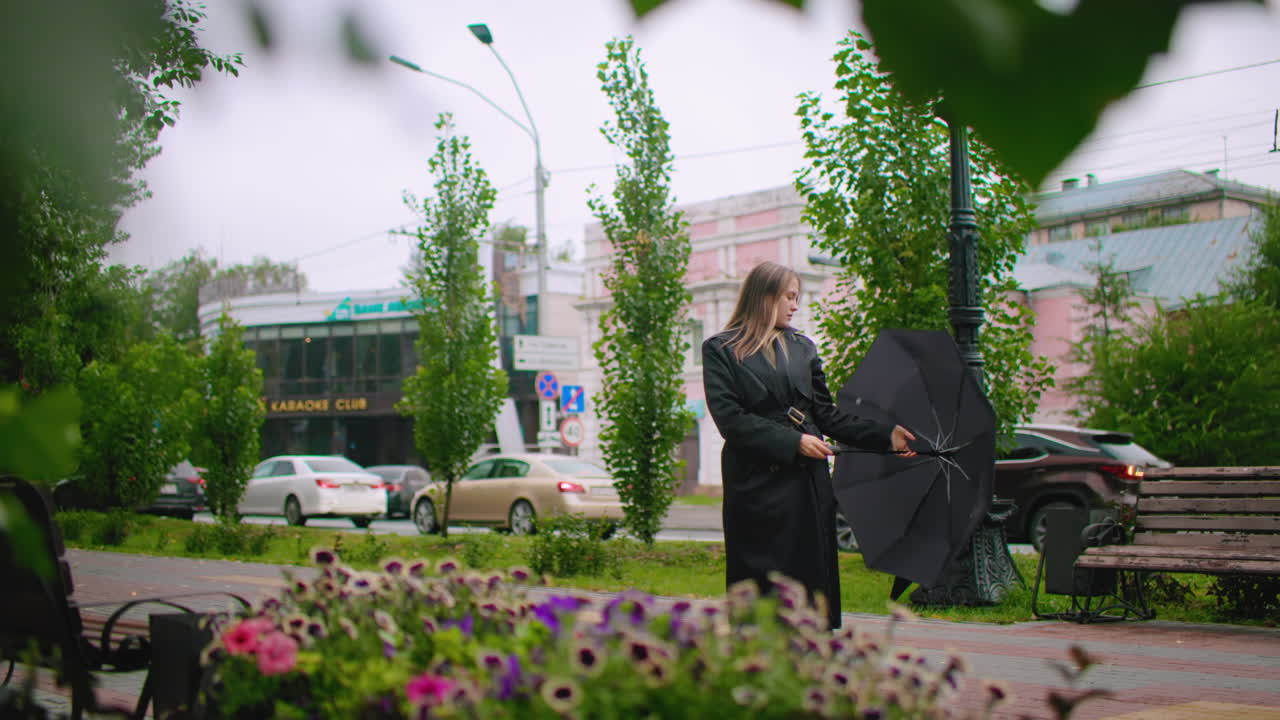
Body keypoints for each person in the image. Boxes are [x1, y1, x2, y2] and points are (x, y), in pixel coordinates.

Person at [701, 261, 915, 629]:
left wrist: (885, 435)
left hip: (807, 485)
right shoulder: (720, 350)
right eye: (789, 296)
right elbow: (730, 421)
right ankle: (756, 652)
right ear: (764, 296)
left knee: (811, 579)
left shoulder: (803, 348)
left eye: (796, 297)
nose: (795, 305)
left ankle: (813, 648)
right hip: (755, 487)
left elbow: (827, 415)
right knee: (760, 583)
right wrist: (794, 441)